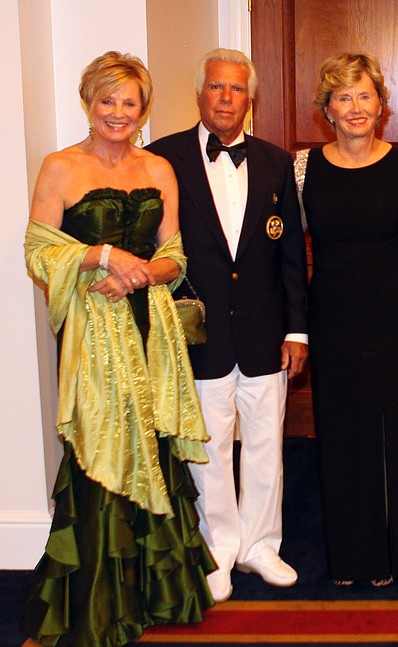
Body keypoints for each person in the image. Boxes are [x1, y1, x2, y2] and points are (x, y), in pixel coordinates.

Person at [21, 51, 214, 646]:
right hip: (93, 328)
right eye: (108, 100)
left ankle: (160, 593)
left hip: (151, 327)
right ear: (88, 102)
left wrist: (142, 273)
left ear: (143, 109)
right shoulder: (60, 167)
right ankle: (103, 600)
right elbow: (37, 250)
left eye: (130, 103)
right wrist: (104, 256)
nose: (118, 113)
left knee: (152, 442)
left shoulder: (158, 168)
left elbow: (176, 257)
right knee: (102, 441)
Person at [146, 48, 309, 603]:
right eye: (216, 87)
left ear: (250, 98)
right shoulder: (162, 159)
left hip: (266, 332)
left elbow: (290, 254)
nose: (225, 98)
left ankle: (262, 544)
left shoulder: (275, 161)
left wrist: (298, 330)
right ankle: (217, 549)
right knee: (210, 447)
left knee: (266, 443)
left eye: (236, 89)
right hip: (199, 334)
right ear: (200, 94)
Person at [295, 52, 398, 587]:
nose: (355, 107)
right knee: (342, 431)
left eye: (365, 96)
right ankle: (351, 554)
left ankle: (397, 552)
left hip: (394, 315)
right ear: (326, 107)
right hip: (330, 314)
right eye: (343, 97)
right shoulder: (304, 167)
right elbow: (285, 254)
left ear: (381, 105)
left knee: (397, 430)